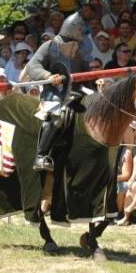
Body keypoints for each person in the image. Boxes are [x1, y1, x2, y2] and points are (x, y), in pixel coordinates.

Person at [24, 12, 89, 171]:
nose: (81, 32)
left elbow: (85, 73)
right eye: (79, 29)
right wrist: (48, 75)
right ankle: (40, 156)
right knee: (57, 116)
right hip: (54, 92)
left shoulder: (76, 50)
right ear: (72, 28)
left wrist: (97, 81)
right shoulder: (49, 46)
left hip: (75, 91)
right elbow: (32, 66)